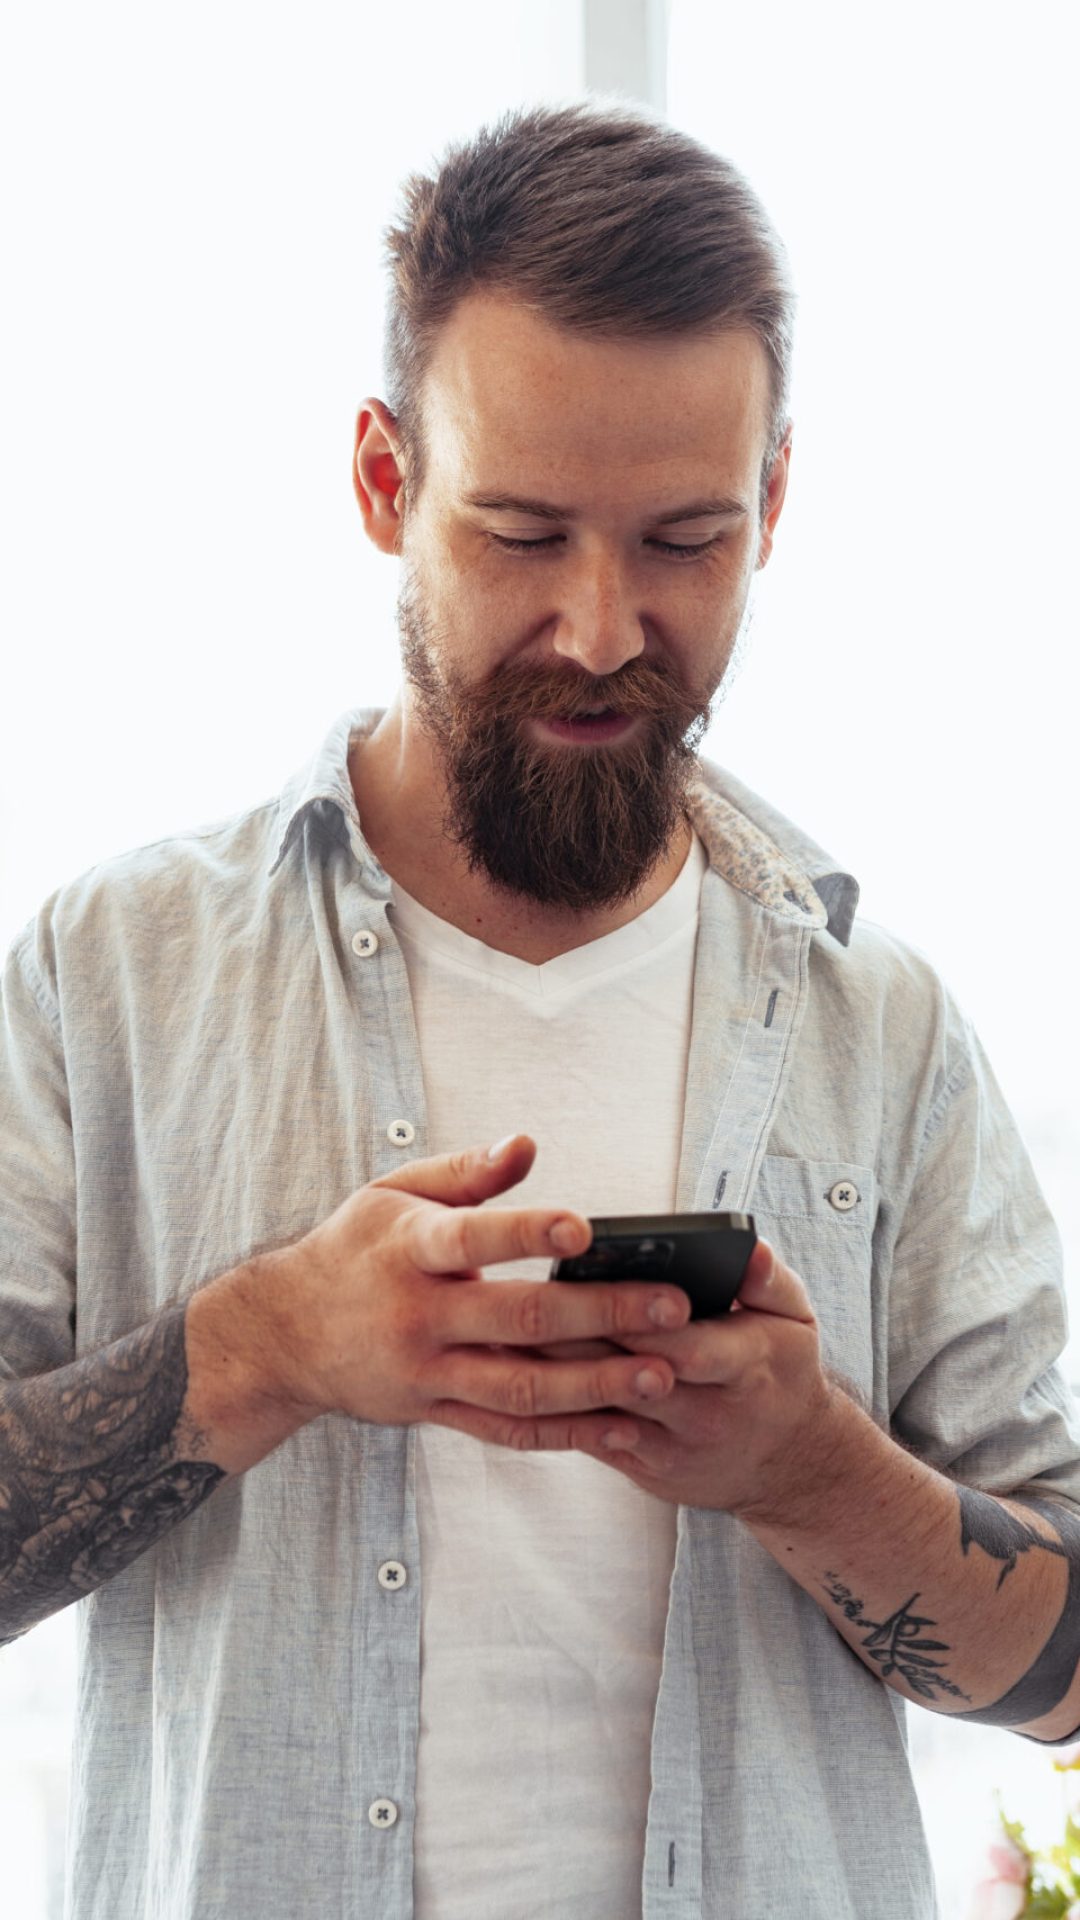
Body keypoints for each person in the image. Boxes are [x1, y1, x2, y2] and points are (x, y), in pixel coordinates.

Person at [1, 97, 1078, 1920]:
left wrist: (813, 1472)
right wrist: (259, 1351)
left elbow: (1067, 1672)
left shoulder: (884, 1033)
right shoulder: (109, 976)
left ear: (777, 503)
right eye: (517, 535)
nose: (598, 627)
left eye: (682, 539)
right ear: (381, 484)